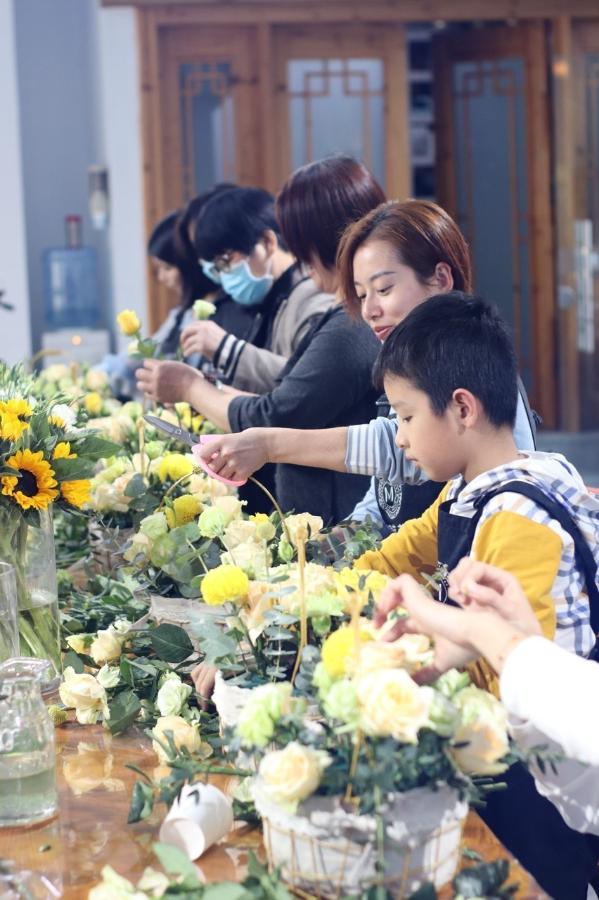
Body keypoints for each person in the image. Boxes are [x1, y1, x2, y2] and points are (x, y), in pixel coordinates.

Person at [355, 292, 599, 899]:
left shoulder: (517, 515)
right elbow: (401, 552)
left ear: (461, 407)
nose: (400, 438)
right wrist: (346, 589)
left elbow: (535, 681)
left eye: (406, 417)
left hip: (553, 786)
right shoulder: (470, 488)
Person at [192, 201, 536, 531]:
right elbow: (385, 496)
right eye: (360, 294)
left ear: (441, 278)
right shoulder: (406, 365)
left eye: (384, 289)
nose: (369, 311)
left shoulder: (468, 358)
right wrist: (347, 538)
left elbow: (391, 450)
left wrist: (268, 444)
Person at [136, 156, 385, 523]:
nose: (301, 261)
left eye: (303, 247)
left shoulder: (349, 325)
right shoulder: (336, 314)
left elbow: (279, 411)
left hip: (339, 521)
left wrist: (192, 387)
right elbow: (288, 397)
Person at [179, 184, 333, 393]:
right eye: (217, 269)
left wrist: (226, 349)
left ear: (268, 242)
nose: (225, 277)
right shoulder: (263, 297)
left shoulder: (313, 294)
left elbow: (308, 385)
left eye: (227, 260)